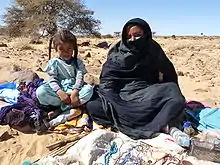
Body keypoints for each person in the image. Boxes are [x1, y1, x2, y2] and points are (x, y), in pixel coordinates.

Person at [86, 18, 185, 139]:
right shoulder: (117, 52)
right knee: (93, 106)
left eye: (137, 35)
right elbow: (107, 81)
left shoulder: (152, 49)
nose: (132, 40)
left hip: (146, 92)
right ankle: (157, 122)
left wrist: (164, 94)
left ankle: (145, 121)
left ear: (146, 34)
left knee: (173, 92)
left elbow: (169, 72)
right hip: (121, 94)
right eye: (129, 36)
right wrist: (116, 101)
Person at [36, 29, 93, 120]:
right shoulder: (53, 62)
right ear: (56, 49)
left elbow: (80, 78)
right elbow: (52, 79)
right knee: (40, 92)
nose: (66, 52)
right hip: (59, 91)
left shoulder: (78, 62)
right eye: (61, 49)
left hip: (74, 90)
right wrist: (59, 92)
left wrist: (75, 92)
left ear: (73, 48)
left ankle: (60, 110)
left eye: (69, 49)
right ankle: (70, 107)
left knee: (89, 90)